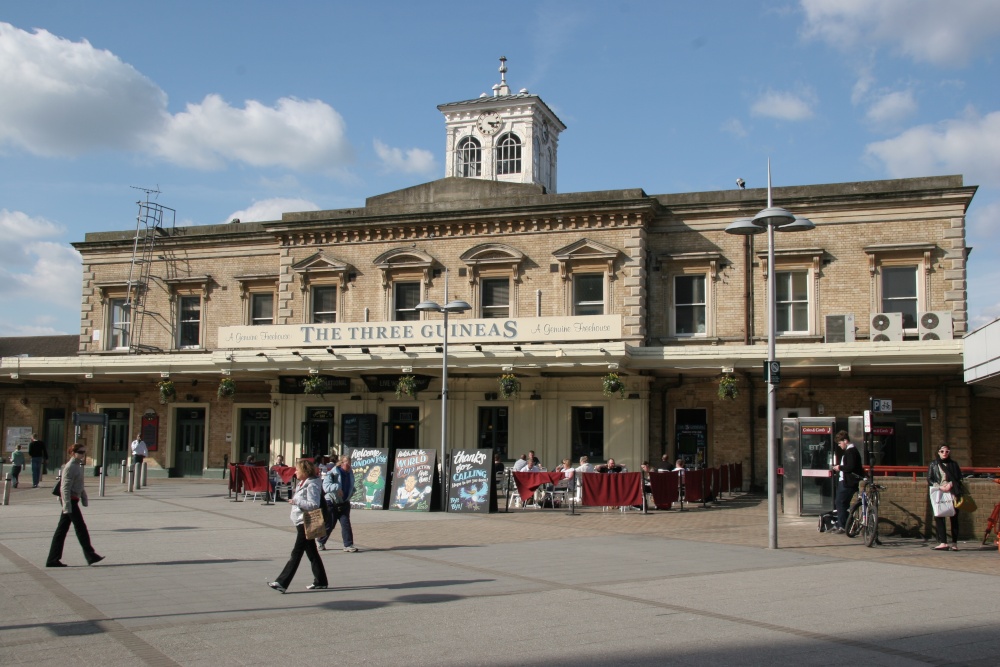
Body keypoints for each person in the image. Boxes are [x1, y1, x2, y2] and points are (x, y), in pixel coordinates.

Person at [268, 459, 328, 592]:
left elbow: (314, 504)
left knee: (296, 553)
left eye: (297, 470)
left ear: (305, 472)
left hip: (304, 522)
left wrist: (296, 501)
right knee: (312, 552)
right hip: (300, 521)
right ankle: (321, 580)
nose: (295, 472)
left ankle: (282, 582)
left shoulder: (312, 484)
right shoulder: (304, 482)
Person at [46, 444, 104, 567]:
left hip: (73, 500)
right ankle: (90, 555)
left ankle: (52, 559)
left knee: (61, 530)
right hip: (69, 501)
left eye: (84, 452)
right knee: (80, 528)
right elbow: (65, 488)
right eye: (80, 452)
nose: (83, 454)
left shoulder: (77, 465)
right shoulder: (70, 467)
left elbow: (79, 484)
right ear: (73, 453)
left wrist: (83, 497)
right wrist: (67, 506)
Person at [319, 456, 358, 552]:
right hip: (332, 502)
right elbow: (326, 487)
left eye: (350, 463)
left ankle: (348, 545)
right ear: (341, 463)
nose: (349, 465)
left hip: (344, 503)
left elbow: (351, 485)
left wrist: (352, 491)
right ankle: (320, 541)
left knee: (346, 524)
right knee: (330, 524)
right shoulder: (333, 473)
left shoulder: (350, 473)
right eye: (347, 463)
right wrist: (337, 487)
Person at [928, 445, 963, 551]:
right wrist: (940, 487)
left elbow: (959, 478)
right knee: (939, 516)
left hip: (952, 493)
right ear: (938, 452)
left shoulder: (954, 464)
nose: (945, 453)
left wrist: (951, 484)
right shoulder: (933, 464)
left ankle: (954, 543)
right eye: (942, 451)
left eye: (947, 451)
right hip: (939, 492)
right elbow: (930, 479)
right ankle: (943, 542)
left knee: (954, 517)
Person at [831, 431, 862, 534]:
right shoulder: (850, 451)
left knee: (840, 502)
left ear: (845, 441)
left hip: (847, 483)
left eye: (840, 443)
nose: (839, 445)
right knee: (841, 503)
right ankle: (844, 524)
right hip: (845, 482)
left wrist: (839, 467)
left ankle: (843, 526)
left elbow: (850, 467)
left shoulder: (851, 451)